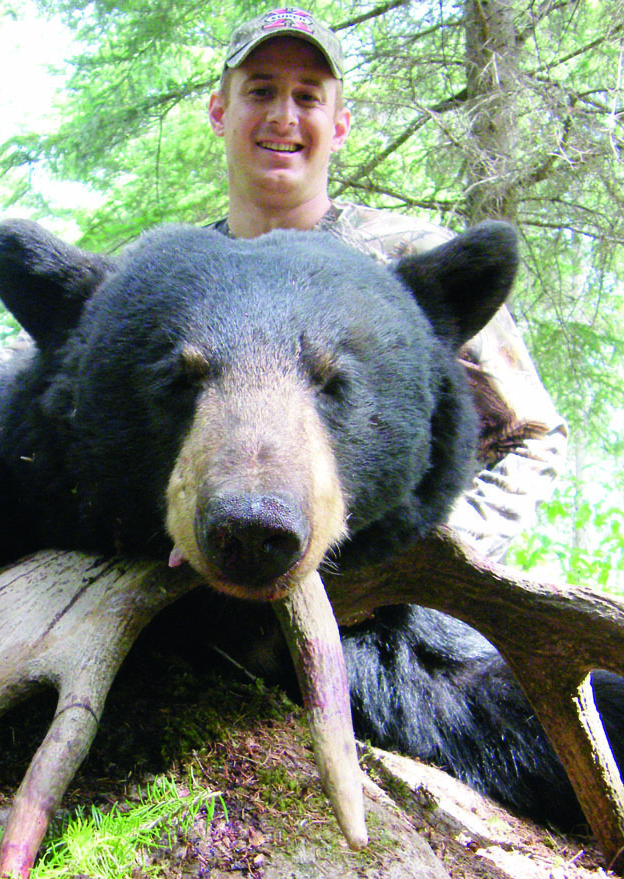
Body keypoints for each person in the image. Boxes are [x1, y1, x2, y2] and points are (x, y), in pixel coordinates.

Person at [207, 7, 567, 560]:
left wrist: (427, 570)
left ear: (340, 126)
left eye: (308, 97)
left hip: (388, 601)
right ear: (219, 112)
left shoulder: (407, 259)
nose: (284, 116)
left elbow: (530, 436)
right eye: (260, 92)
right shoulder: (176, 279)